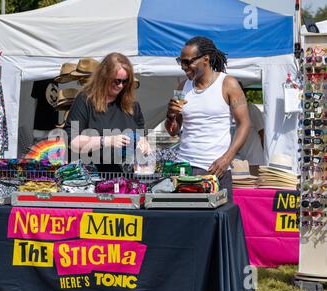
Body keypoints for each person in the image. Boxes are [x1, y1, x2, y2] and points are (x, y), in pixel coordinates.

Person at [165, 36, 250, 199]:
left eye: (188, 62)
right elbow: (173, 131)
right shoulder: (182, 87)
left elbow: (244, 124)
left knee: (215, 222)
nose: (184, 67)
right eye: (180, 62)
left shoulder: (228, 84)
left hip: (215, 169)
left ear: (206, 59)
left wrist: (227, 158)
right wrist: (170, 116)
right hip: (184, 168)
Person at [63, 52, 150, 172]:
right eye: (117, 81)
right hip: (92, 178)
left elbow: (141, 135)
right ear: (104, 77)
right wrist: (107, 140)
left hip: (125, 178)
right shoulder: (85, 100)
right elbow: (72, 142)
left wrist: (143, 143)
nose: (120, 86)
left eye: (125, 81)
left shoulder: (132, 105)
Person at [234, 82, 265, 176]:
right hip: (236, 161)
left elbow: (262, 132)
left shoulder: (252, 109)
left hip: (254, 161)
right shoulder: (228, 111)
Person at [31, 78, 59, 144]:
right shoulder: (55, 79)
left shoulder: (38, 79)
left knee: (39, 149)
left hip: (40, 122)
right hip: (52, 122)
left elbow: (35, 102)